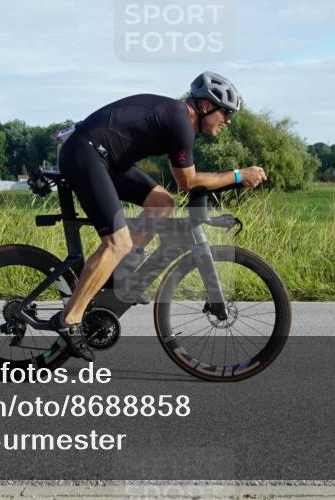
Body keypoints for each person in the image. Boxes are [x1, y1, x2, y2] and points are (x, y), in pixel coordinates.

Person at [51, 71, 268, 360]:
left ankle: (120, 276)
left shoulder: (179, 119)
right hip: (85, 154)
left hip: (104, 158)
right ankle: (70, 319)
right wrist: (239, 175)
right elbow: (188, 182)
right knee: (117, 243)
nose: (227, 121)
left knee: (161, 203)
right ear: (205, 107)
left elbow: (183, 185)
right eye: (225, 113)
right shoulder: (181, 123)